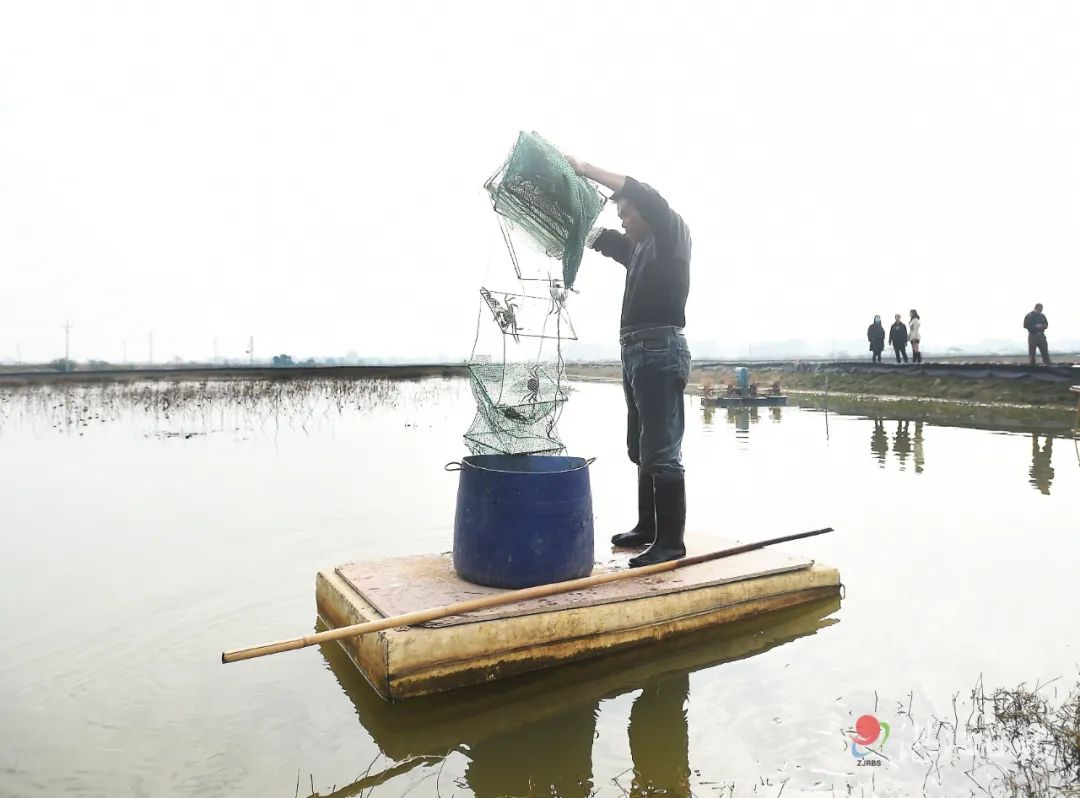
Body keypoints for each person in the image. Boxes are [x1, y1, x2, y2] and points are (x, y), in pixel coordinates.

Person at [567, 154, 691, 567]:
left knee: (661, 449)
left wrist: (584, 169)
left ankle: (670, 543)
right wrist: (568, 207)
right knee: (641, 446)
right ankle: (648, 528)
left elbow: (639, 189)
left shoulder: (670, 233)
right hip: (636, 352)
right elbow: (598, 238)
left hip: (660, 350)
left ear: (645, 210)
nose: (621, 220)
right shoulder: (637, 248)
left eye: (625, 212)